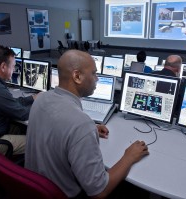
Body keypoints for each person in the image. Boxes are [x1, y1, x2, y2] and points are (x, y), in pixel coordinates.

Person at [25, 50, 149, 199]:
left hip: (35, 187)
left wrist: (87, 130)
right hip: (66, 193)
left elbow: (55, 126)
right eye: (94, 73)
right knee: (137, 191)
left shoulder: (42, 98)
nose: (97, 79)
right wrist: (129, 156)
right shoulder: (81, 123)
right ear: (77, 76)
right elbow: (99, 192)